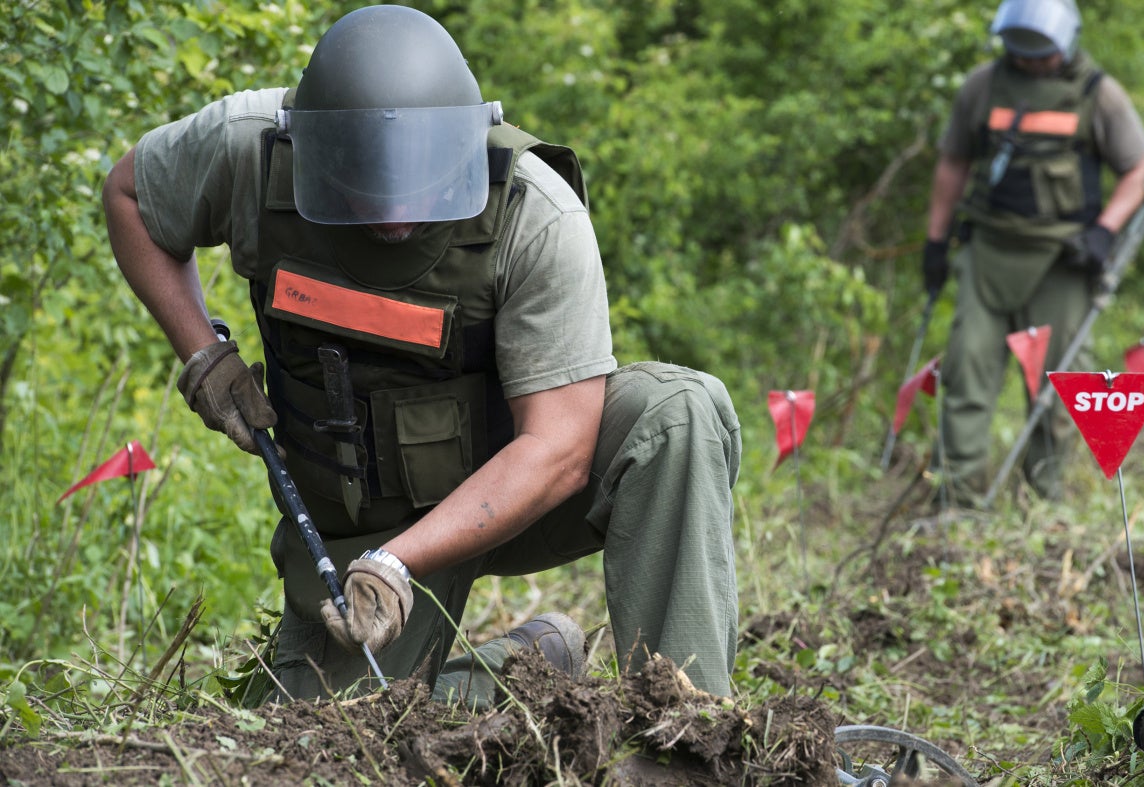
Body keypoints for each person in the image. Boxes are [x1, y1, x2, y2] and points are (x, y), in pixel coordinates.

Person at [102, 4, 742, 705]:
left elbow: (560, 447)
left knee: (677, 414)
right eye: (368, 180)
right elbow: (131, 193)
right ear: (316, 149)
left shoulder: (534, 210)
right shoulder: (253, 150)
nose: (395, 214)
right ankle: (519, 667)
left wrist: (398, 562)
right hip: (362, 517)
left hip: (510, 489)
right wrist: (204, 359)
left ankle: (686, 733)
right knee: (323, 743)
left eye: (421, 177)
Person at [921, 0, 1144, 503]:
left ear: (1065, 43)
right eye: (1019, 52)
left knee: (1062, 386)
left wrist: (1104, 231)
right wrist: (935, 241)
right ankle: (957, 501)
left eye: (1040, 54)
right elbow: (953, 164)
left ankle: (1043, 498)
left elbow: (1139, 170)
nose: (1029, 62)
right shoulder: (981, 86)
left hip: (1062, 262)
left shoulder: (1100, 94)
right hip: (988, 255)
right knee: (966, 372)